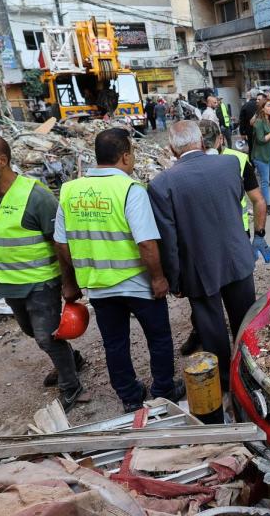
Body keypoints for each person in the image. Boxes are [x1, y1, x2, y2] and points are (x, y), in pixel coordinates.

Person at [55, 128, 181, 413]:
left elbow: (61, 243)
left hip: (99, 285)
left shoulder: (70, 190)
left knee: (115, 343)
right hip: (137, 283)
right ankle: (163, 389)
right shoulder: (129, 189)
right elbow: (146, 242)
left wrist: (71, 281)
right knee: (158, 337)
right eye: (132, 153)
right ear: (125, 156)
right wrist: (159, 278)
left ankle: (130, 396)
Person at [0, 133, 85, 411]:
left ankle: (72, 386)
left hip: (41, 283)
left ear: (2, 160)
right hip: (8, 283)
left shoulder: (36, 197)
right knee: (32, 331)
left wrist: (70, 284)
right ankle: (71, 360)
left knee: (47, 337)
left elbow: (61, 243)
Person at [148, 121, 259, 394]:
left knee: (211, 328)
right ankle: (252, 372)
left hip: (198, 267)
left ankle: (224, 382)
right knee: (245, 320)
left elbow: (169, 240)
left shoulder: (162, 184)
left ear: (173, 148)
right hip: (237, 256)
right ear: (201, 140)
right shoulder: (230, 165)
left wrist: (174, 280)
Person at [178, 121, 269, 356]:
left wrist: (259, 235)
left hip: (222, 238)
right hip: (220, 238)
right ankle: (208, 335)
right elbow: (258, 200)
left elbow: (258, 200)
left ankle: (236, 352)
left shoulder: (234, 161)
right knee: (219, 302)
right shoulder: (228, 161)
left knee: (226, 302)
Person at [239, 89, 261, 154]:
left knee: (251, 148)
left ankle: (253, 162)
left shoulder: (245, 106)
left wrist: (242, 133)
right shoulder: (262, 105)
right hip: (261, 131)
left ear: (250, 95)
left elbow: (242, 121)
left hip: (249, 132)